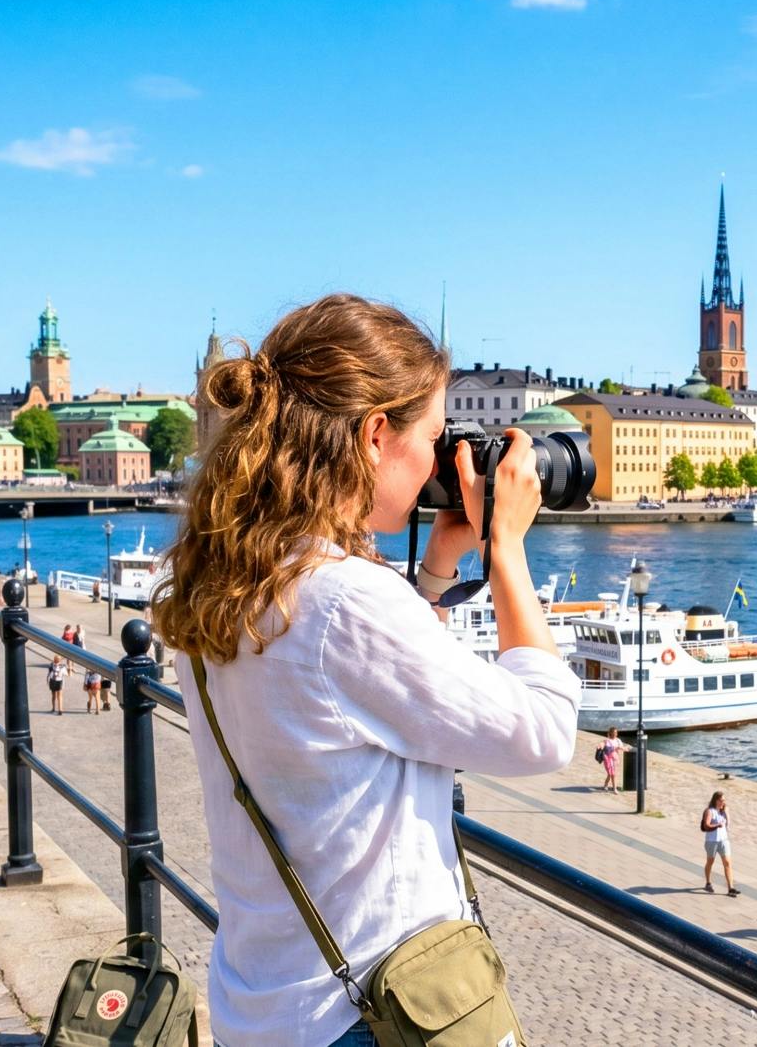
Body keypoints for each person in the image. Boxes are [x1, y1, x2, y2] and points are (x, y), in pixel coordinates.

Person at [153, 293, 577, 1046]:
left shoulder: (221, 577)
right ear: (376, 434)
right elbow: (543, 732)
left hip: (263, 1000)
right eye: (438, 436)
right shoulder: (345, 598)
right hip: (367, 1013)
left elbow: (364, 699)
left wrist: (439, 570)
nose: (442, 462)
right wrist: (506, 549)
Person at [702, 791, 737, 896]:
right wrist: (717, 825)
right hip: (712, 841)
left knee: (727, 863)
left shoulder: (724, 811)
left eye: (724, 800)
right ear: (716, 800)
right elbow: (706, 825)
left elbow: (728, 824)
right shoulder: (710, 811)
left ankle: (730, 888)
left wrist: (726, 813)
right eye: (721, 800)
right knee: (710, 862)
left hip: (724, 840)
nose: (723, 802)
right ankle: (708, 882)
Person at [599, 727, 624, 792]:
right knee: (612, 774)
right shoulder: (607, 740)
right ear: (611, 733)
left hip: (615, 759)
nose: (616, 733)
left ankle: (606, 785)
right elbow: (602, 744)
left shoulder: (618, 740)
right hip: (608, 760)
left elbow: (621, 747)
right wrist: (600, 746)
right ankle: (614, 789)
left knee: (612, 774)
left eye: (616, 732)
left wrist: (626, 749)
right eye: (614, 732)